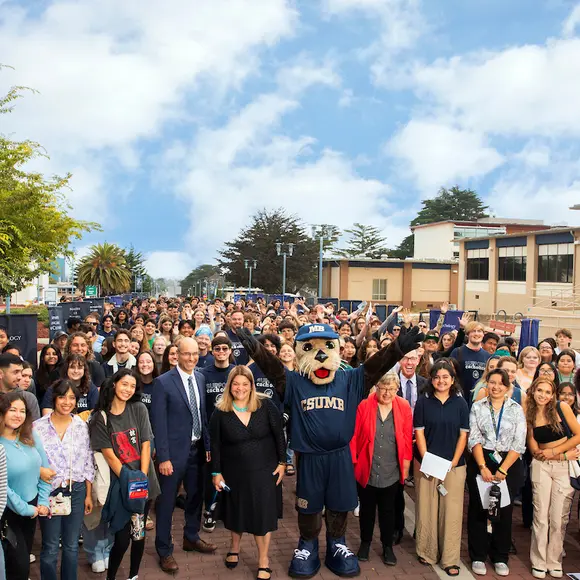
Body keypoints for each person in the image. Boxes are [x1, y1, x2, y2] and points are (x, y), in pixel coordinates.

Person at [210, 366, 286, 579]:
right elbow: (215, 445)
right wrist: (216, 473)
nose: (240, 388)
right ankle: (234, 547)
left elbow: (279, 435)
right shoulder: (220, 411)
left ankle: (263, 559)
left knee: (263, 517)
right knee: (237, 513)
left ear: (252, 386)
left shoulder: (265, 405)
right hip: (235, 472)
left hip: (266, 471)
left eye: (245, 384)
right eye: (236, 384)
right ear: (229, 386)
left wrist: (283, 462)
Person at [151, 337, 216, 574]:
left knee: (195, 497)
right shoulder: (163, 383)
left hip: (197, 451)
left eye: (195, 354)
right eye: (186, 354)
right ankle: (164, 550)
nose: (191, 358)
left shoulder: (200, 377)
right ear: (177, 354)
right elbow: (158, 423)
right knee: (166, 502)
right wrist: (164, 457)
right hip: (173, 455)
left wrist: (207, 446)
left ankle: (191, 537)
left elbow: (202, 415)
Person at [89, 369, 160, 580]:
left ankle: (133, 575)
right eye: (124, 384)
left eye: (132, 386)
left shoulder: (138, 409)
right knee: (121, 538)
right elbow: (110, 456)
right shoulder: (99, 417)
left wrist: (142, 480)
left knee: (138, 534)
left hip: (143, 484)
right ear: (114, 384)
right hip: (120, 486)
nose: (128, 389)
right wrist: (132, 483)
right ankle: (111, 576)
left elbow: (146, 443)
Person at [33, 379, 95, 580]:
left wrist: (88, 494)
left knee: (70, 546)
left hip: (75, 489)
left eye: (71, 398)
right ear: (54, 398)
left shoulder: (81, 426)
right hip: (48, 490)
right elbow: (31, 458)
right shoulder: (37, 427)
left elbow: (88, 460)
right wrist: (39, 469)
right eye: (62, 397)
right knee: (50, 546)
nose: (67, 402)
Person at [467, 368, 526, 577]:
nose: (496, 387)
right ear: (487, 383)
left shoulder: (516, 409)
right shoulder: (477, 407)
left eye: (501, 383)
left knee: (504, 512)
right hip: (481, 461)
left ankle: (500, 556)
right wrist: (483, 466)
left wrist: (503, 469)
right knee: (478, 510)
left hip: (508, 465)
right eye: (492, 382)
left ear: (507, 386)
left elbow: (519, 442)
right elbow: (473, 437)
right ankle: (477, 555)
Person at [350, 372, 412, 566]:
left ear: (397, 389)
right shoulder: (365, 405)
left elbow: (407, 439)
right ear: (376, 387)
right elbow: (354, 436)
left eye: (391, 389)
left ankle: (387, 547)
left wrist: (406, 465)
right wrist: (354, 464)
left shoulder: (403, 406)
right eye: (383, 388)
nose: (387, 393)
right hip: (367, 469)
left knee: (388, 512)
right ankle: (365, 543)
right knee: (367, 510)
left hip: (391, 470)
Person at [414, 360, 469, 576]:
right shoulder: (423, 402)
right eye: (437, 377)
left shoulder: (460, 403)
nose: (441, 381)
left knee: (452, 512)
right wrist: (427, 460)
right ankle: (426, 551)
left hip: (454, 466)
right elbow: (419, 432)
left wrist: (454, 461)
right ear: (431, 379)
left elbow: (463, 435)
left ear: (453, 380)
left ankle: (449, 558)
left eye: (446, 377)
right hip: (428, 465)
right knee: (426, 509)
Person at [526, 377, 580, 578]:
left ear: (553, 394)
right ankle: (538, 560)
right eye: (539, 390)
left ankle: (554, 560)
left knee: (559, 517)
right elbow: (533, 449)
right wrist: (553, 454)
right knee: (540, 516)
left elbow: (578, 434)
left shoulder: (562, 407)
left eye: (547, 392)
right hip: (541, 466)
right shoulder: (529, 412)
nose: (543, 395)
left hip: (564, 466)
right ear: (533, 391)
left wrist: (557, 453)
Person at [0, 392, 51, 580]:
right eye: (12, 410)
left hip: (32, 510)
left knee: (21, 566)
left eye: (22, 411)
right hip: (8, 514)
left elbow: (45, 471)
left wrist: (43, 501)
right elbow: (2, 487)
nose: (17, 415)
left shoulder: (30, 435)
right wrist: (26, 509)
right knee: (18, 566)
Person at [450, 321, 491, 406]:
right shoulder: (457, 352)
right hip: (459, 399)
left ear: (483, 334)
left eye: (479, 331)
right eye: (473, 331)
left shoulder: (487, 356)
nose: (476, 334)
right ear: (468, 334)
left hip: (479, 401)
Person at [0, 353, 40, 421]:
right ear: (0, 374)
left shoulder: (29, 398)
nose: (19, 377)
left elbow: (35, 428)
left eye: (20, 372)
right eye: (16, 372)